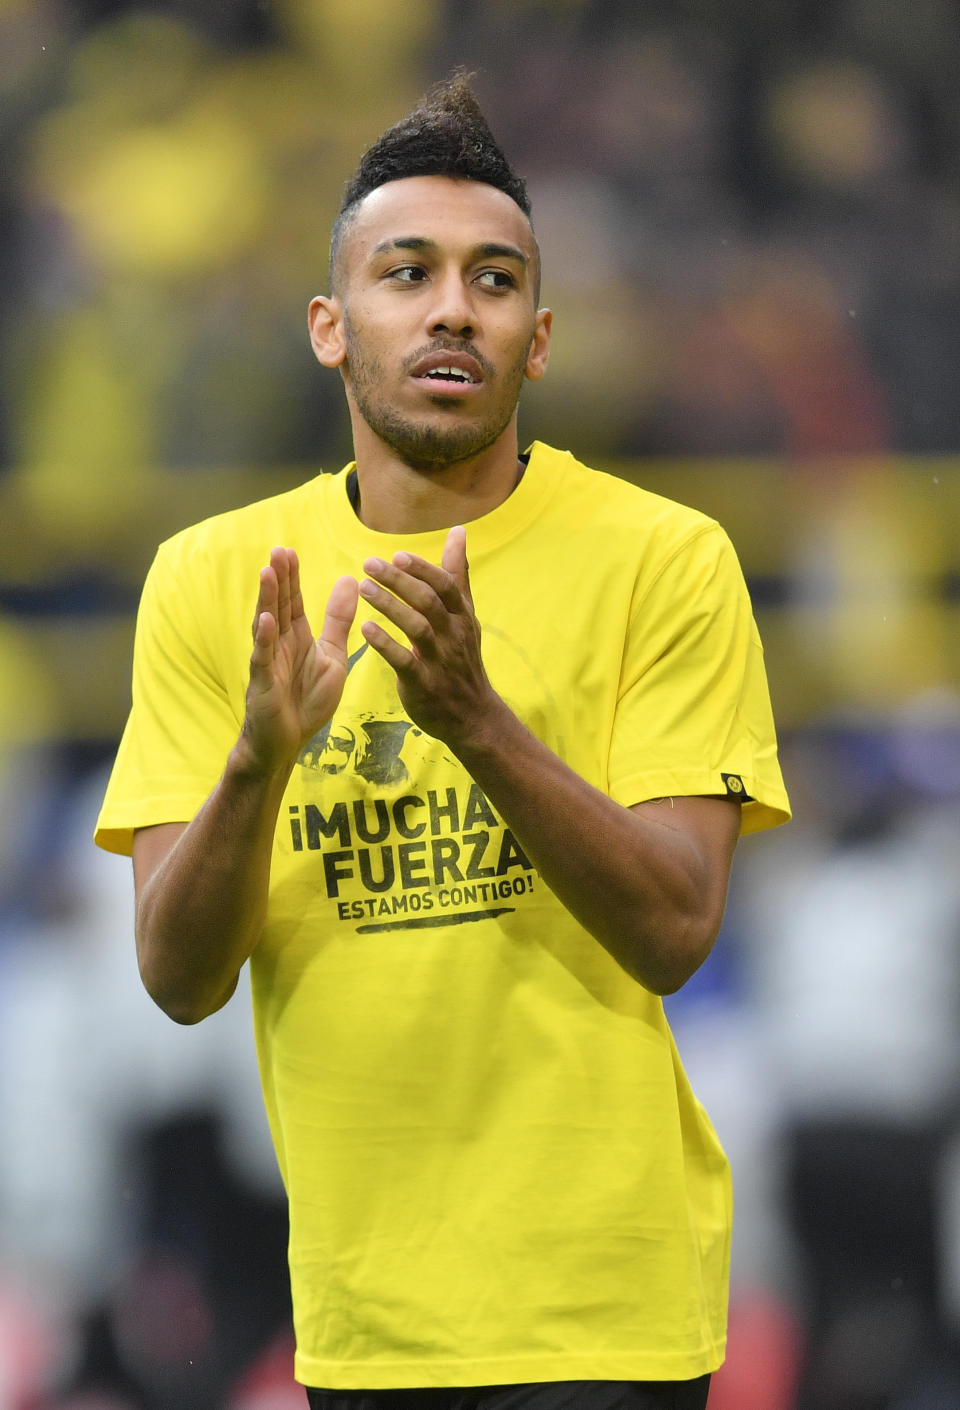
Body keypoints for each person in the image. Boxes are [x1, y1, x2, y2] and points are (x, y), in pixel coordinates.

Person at [95, 74, 790, 1410]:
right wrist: (256, 762)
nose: (452, 305)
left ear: (538, 338)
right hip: (364, 1323)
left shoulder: (666, 559)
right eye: (405, 272)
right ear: (329, 325)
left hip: (606, 1319)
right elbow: (180, 978)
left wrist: (475, 722)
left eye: (494, 278)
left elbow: (677, 926)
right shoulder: (215, 578)